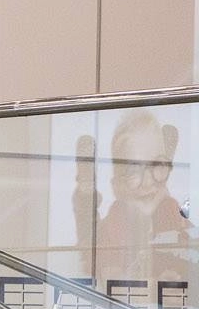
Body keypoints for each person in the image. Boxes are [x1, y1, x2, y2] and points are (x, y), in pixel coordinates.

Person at [73, 111, 187, 287]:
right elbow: (104, 270)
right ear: (117, 186)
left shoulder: (172, 214)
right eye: (133, 171)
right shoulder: (113, 226)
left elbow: (189, 251)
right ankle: (85, 183)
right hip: (127, 283)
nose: (147, 182)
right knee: (88, 232)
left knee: (162, 199)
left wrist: (178, 273)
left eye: (157, 166)